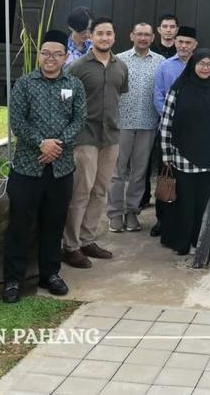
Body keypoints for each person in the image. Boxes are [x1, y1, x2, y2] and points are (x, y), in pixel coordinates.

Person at [3, 31, 87, 303]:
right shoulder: (25, 83)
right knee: (20, 224)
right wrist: (41, 143)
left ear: (65, 57)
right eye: (46, 53)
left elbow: (79, 119)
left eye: (57, 54)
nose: (51, 58)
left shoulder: (74, 84)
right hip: (28, 168)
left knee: (54, 223)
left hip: (61, 168)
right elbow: (17, 121)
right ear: (39, 55)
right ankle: (13, 279)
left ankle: (50, 274)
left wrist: (56, 146)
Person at [63, 17, 129, 268]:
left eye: (108, 33)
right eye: (99, 33)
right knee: (81, 191)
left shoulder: (120, 67)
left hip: (110, 137)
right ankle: (70, 246)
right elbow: (65, 100)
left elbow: (119, 94)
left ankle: (87, 239)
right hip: (85, 136)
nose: (104, 38)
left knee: (101, 190)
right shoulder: (78, 67)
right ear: (91, 36)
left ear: (114, 37)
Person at [158, 49, 210, 255]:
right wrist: (166, 153)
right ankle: (182, 242)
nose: (205, 68)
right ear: (193, 65)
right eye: (201, 64)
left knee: (203, 201)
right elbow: (166, 121)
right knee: (185, 201)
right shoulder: (179, 88)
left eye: (209, 64)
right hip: (182, 155)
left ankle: (198, 241)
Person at [109, 22, 164, 233]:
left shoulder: (160, 62)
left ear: (152, 38)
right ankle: (115, 213)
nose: (143, 38)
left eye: (147, 35)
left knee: (139, 172)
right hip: (121, 123)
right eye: (139, 34)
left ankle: (132, 211)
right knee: (117, 171)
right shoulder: (118, 59)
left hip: (148, 123)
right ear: (132, 36)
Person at [149, 25, 198, 236]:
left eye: (188, 43)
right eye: (181, 42)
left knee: (187, 178)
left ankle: (184, 220)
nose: (183, 46)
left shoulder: (201, 66)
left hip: (193, 131)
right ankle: (162, 219)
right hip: (168, 130)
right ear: (175, 42)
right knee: (166, 175)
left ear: (195, 45)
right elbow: (158, 96)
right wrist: (171, 118)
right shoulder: (165, 66)